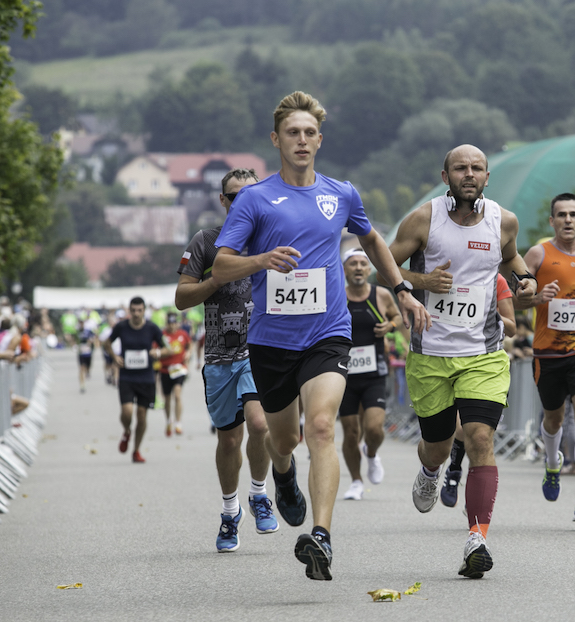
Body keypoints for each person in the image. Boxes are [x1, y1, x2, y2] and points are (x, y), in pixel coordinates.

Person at [212, 92, 428, 581]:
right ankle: (283, 474)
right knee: (282, 439)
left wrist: (401, 289)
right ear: (276, 140)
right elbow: (222, 265)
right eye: (293, 132)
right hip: (271, 341)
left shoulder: (341, 193)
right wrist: (261, 260)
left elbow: (371, 238)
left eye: (310, 133)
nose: (302, 140)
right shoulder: (255, 199)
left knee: (322, 428)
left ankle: (322, 536)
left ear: (320, 140)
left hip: (327, 333)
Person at [387, 143, 537, 578]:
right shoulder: (423, 219)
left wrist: (525, 279)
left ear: (487, 177)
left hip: (482, 353)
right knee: (436, 444)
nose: (468, 174)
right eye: (459, 168)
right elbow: (385, 267)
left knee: (480, 438)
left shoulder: (503, 220)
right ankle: (430, 469)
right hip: (431, 353)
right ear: (445, 176)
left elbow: (511, 257)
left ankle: (477, 537)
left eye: (476, 168)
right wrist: (421, 280)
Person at [175, 167, 282, 552]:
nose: (241, 201)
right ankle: (229, 511)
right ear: (223, 201)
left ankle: (259, 493)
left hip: (260, 351)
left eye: (249, 194)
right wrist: (214, 280)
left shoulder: (272, 238)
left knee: (260, 423)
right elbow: (181, 298)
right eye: (234, 196)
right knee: (228, 440)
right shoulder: (206, 242)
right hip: (220, 357)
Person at [516, 192, 575, 521]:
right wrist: (537, 298)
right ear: (552, 221)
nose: (568, 220)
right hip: (548, 352)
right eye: (561, 215)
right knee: (553, 419)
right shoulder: (538, 254)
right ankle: (552, 462)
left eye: (574, 214)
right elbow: (514, 298)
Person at [440, 272, 516, 507]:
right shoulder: (444, 275)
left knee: (481, 436)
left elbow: (512, 328)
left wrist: (488, 312)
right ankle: (453, 469)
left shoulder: (496, 280)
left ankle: (474, 493)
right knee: (459, 430)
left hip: (485, 365)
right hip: (447, 361)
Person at [339, 247, 405, 501]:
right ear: (344, 269)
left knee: (374, 429)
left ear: (369, 269)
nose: (358, 267)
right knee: (350, 432)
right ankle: (356, 481)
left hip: (374, 372)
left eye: (363, 263)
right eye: (353, 263)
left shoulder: (381, 295)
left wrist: (390, 325)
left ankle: (371, 452)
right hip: (343, 374)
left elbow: (397, 316)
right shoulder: (337, 295)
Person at [102, 297, 170, 463]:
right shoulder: (121, 327)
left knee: (141, 415)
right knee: (127, 412)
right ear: (129, 311)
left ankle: (136, 450)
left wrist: (157, 353)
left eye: (139, 310)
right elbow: (106, 343)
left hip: (146, 378)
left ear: (144, 311)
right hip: (127, 376)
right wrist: (114, 357)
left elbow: (168, 348)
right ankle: (127, 431)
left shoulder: (152, 328)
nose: (136, 314)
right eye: (133, 310)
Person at [158, 312, 191, 436]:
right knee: (167, 398)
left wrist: (188, 353)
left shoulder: (183, 334)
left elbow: (189, 345)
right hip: (165, 370)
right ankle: (168, 421)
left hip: (179, 369)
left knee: (177, 395)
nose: (172, 326)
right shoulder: (162, 336)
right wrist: (165, 352)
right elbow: (156, 350)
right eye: (169, 324)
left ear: (177, 324)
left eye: (174, 323)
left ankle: (178, 423)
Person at [76, 318, 98, 393]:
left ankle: (88, 371)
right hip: (81, 353)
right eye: (79, 323)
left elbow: (94, 337)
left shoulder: (88, 331)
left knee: (87, 367)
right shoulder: (77, 332)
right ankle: (82, 385)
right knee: (81, 368)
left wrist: (90, 341)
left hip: (88, 353)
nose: (81, 324)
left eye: (82, 323)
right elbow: (73, 340)